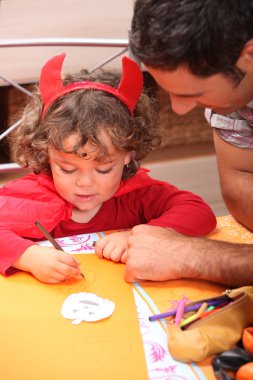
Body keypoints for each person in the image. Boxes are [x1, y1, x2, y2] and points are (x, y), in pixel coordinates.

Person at [0, 52, 216, 284]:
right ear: (47, 153)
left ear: (128, 154)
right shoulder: (30, 197)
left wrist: (139, 237)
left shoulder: (136, 193)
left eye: (102, 170)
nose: (85, 182)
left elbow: (199, 212)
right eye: (68, 169)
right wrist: (27, 256)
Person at [124, 0, 253, 286]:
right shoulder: (236, 91)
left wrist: (193, 255)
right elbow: (239, 181)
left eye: (194, 92)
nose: (179, 109)